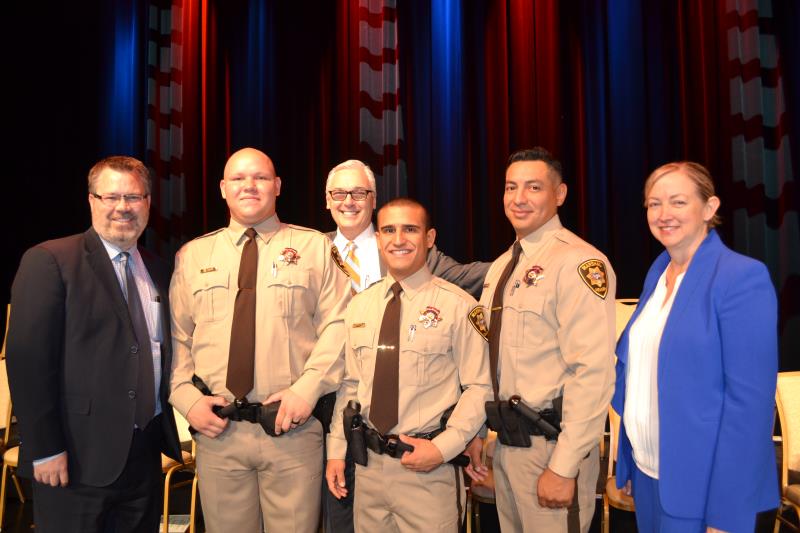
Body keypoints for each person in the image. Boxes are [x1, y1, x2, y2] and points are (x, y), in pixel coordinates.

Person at [169, 147, 350, 533]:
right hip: (219, 434)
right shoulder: (192, 255)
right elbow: (175, 339)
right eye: (238, 178)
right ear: (223, 188)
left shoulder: (316, 248)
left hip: (291, 431)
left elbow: (340, 326)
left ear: (278, 186)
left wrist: (308, 390)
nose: (249, 185)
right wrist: (186, 399)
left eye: (261, 177)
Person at [6, 156, 182, 532]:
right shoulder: (50, 261)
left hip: (144, 456)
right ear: (91, 200)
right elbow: (28, 363)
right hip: (75, 458)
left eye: (133, 197)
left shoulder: (159, 269)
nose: (123, 207)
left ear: (148, 202)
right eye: (111, 197)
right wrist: (45, 449)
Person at [322, 159, 491, 532]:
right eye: (389, 230)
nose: (398, 239)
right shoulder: (360, 307)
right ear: (378, 238)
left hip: (427, 470)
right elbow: (351, 386)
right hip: (369, 470)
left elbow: (480, 387)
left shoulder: (459, 306)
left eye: (410, 229)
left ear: (429, 238)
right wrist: (336, 451)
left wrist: (445, 447)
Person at [612, 161, 778, 532]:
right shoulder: (658, 272)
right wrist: (629, 461)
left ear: (709, 207)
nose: (663, 214)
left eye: (678, 202)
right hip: (649, 478)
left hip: (705, 490)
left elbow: (749, 408)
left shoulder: (740, 277)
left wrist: (726, 512)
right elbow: (639, 374)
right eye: (654, 204)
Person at [476, 147, 616, 533]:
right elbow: (491, 362)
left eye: (534, 187)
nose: (519, 198)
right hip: (508, 447)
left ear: (560, 194)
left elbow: (593, 372)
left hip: (551, 450)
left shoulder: (578, 263)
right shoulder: (503, 267)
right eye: (511, 187)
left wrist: (564, 466)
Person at [324, 159, 490, 298]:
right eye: (339, 194)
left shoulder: (408, 247)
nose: (348, 202)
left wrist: (508, 264)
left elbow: (470, 277)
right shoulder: (314, 250)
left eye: (359, 193)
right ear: (328, 201)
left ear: (373, 200)